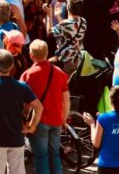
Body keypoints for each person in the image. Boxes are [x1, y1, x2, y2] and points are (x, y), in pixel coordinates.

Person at [0, 49, 42, 174]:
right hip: (16, 137)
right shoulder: (22, 86)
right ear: (12, 66)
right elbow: (39, 107)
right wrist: (32, 126)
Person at [21, 39, 69, 174]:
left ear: (31, 55)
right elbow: (66, 100)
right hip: (56, 120)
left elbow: (25, 103)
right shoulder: (60, 72)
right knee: (55, 155)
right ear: (47, 53)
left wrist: (25, 116)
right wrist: (64, 119)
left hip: (39, 121)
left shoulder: (28, 74)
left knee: (41, 157)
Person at [82, 86, 119, 174]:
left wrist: (92, 124)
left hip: (107, 165)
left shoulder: (103, 118)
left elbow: (96, 144)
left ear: (110, 100)